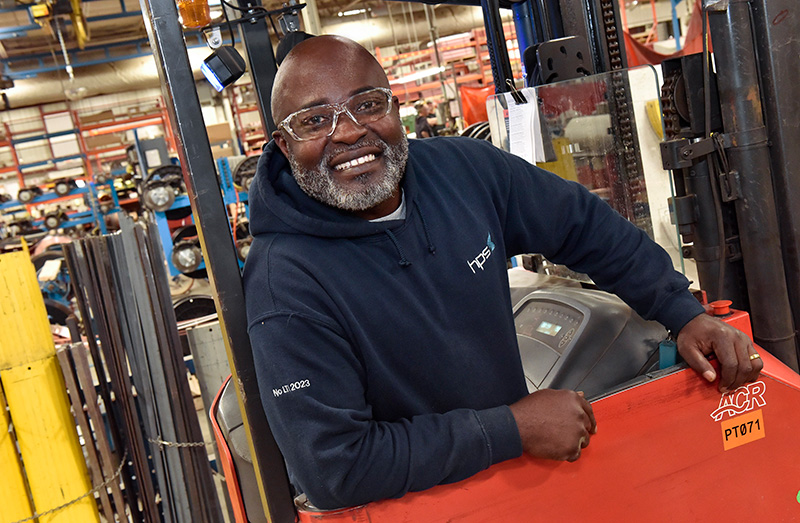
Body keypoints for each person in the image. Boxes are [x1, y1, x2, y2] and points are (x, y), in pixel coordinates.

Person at [243, 35, 761, 510]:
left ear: (395, 109)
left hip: (513, 487)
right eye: (314, 121)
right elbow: (336, 469)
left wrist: (680, 311)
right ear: (284, 146)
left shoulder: (464, 172)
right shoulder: (285, 284)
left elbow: (581, 225)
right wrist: (510, 429)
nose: (350, 131)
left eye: (367, 104)